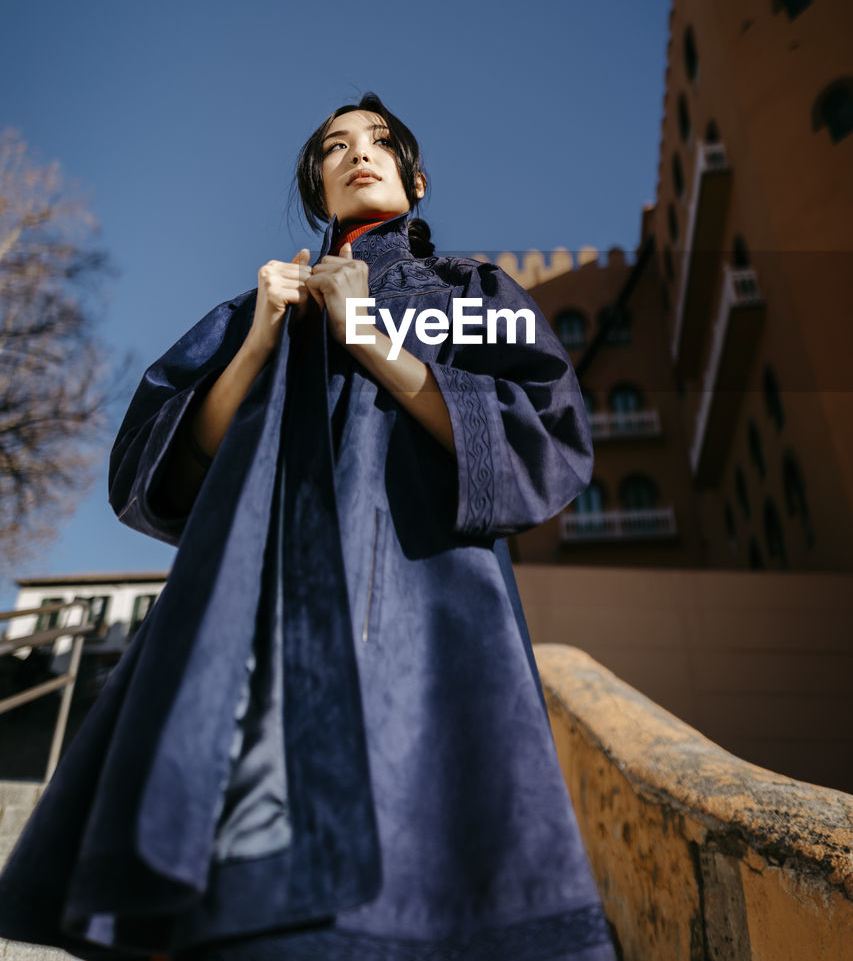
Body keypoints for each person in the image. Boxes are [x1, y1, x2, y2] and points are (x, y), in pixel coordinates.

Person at [0, 93, 616, 961]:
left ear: (415, 177)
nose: (357, 154)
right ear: (317, 187)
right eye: (333, 148)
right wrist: (258, 341)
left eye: (378, 142)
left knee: (430, 887)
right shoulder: (255, 307)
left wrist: (369, 339)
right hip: (253, 611)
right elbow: (158, 472)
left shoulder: (472, 294)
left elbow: (547, 439)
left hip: (429, 613)